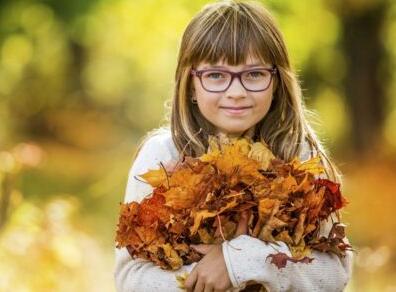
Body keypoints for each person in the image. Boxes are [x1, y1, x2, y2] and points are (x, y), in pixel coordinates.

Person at [114, 0, 353, 291]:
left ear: (276, 81)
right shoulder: (163, 156)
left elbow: (335, 273)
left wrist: (240, 263)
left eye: (254, 74)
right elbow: (131, 278)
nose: (237, 92)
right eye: (216, 75)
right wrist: (207, 277)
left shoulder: (299, 156)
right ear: (191, 83)